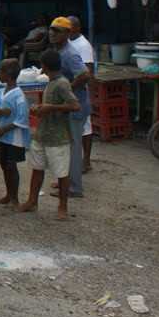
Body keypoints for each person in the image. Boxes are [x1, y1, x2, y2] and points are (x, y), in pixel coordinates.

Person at [15, 49, 80, 221]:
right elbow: (50, 106)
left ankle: (62, 207)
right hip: (42, 134)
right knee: (37, 169)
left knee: (61, 174)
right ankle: (32, 201)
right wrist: (39, 109)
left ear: (43, 67)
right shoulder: (51, 83)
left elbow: (74, 105)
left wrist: (51, 108)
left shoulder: (62, 83)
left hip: (58, 137)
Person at [48, 17, 92, 198]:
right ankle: (65, 182)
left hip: (76, 107)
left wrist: (67, 89)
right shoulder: (58, 50)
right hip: (67, 107)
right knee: (65, 147)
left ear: (67, 34)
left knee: (73, 149)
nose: (52, 33)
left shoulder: (70, 53)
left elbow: (85, 75)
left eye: (57, 30)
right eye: (51, 29)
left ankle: (74, 188)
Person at [0, 58, 31, 207]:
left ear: (9, 74)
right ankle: (8, 195)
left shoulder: (19, 95)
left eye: (1, 72)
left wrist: (4, 129)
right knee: (4, 164)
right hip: (3, 137)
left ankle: (14, 198)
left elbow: (23, 119)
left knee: (11, 165)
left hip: (15, 137)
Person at [67, 16, 96, 173]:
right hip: (71, 93)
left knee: (85, 128)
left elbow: (89, 73)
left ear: (77, 28)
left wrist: (92, 97)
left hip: (81, 93)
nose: (68, 31)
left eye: (70, 28)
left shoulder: (83, 45)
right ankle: (76, 163)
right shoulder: (69, 42)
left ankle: (86, 161)